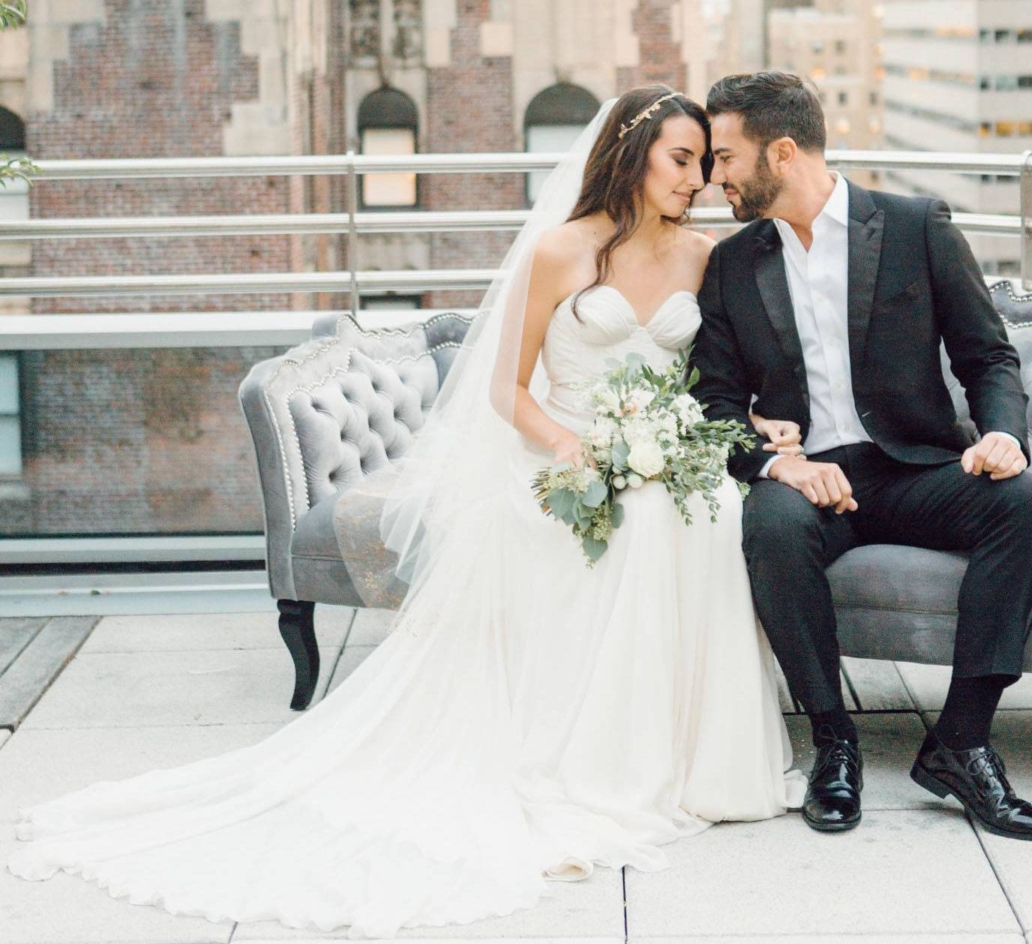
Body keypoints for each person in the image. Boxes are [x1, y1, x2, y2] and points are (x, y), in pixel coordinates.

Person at [7, 86, 807, 936]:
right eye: (681, 160)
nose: (696, 179)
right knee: (632, 524)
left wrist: (740, 425)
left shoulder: (702, 258)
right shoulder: (559, 252)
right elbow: (505, 390)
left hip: (657, 450)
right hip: (562, 449)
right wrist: (583, 453)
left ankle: (691, 762)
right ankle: (603, 764)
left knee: (713, 510)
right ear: (631, 153)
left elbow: (701, 379)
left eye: (701, 163)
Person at [691, 71, 1032, 842]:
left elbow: (987, 355)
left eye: (725, 158)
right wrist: (775, 464)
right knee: (771, 527)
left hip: (914, 467)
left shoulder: (914, 225)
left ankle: (960, 743)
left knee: (1024, 503)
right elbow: (715, 405)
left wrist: (1001, 436)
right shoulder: (730, 264)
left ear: (782, 152)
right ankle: (834, 741)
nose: (713, 178)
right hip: (809, 480)